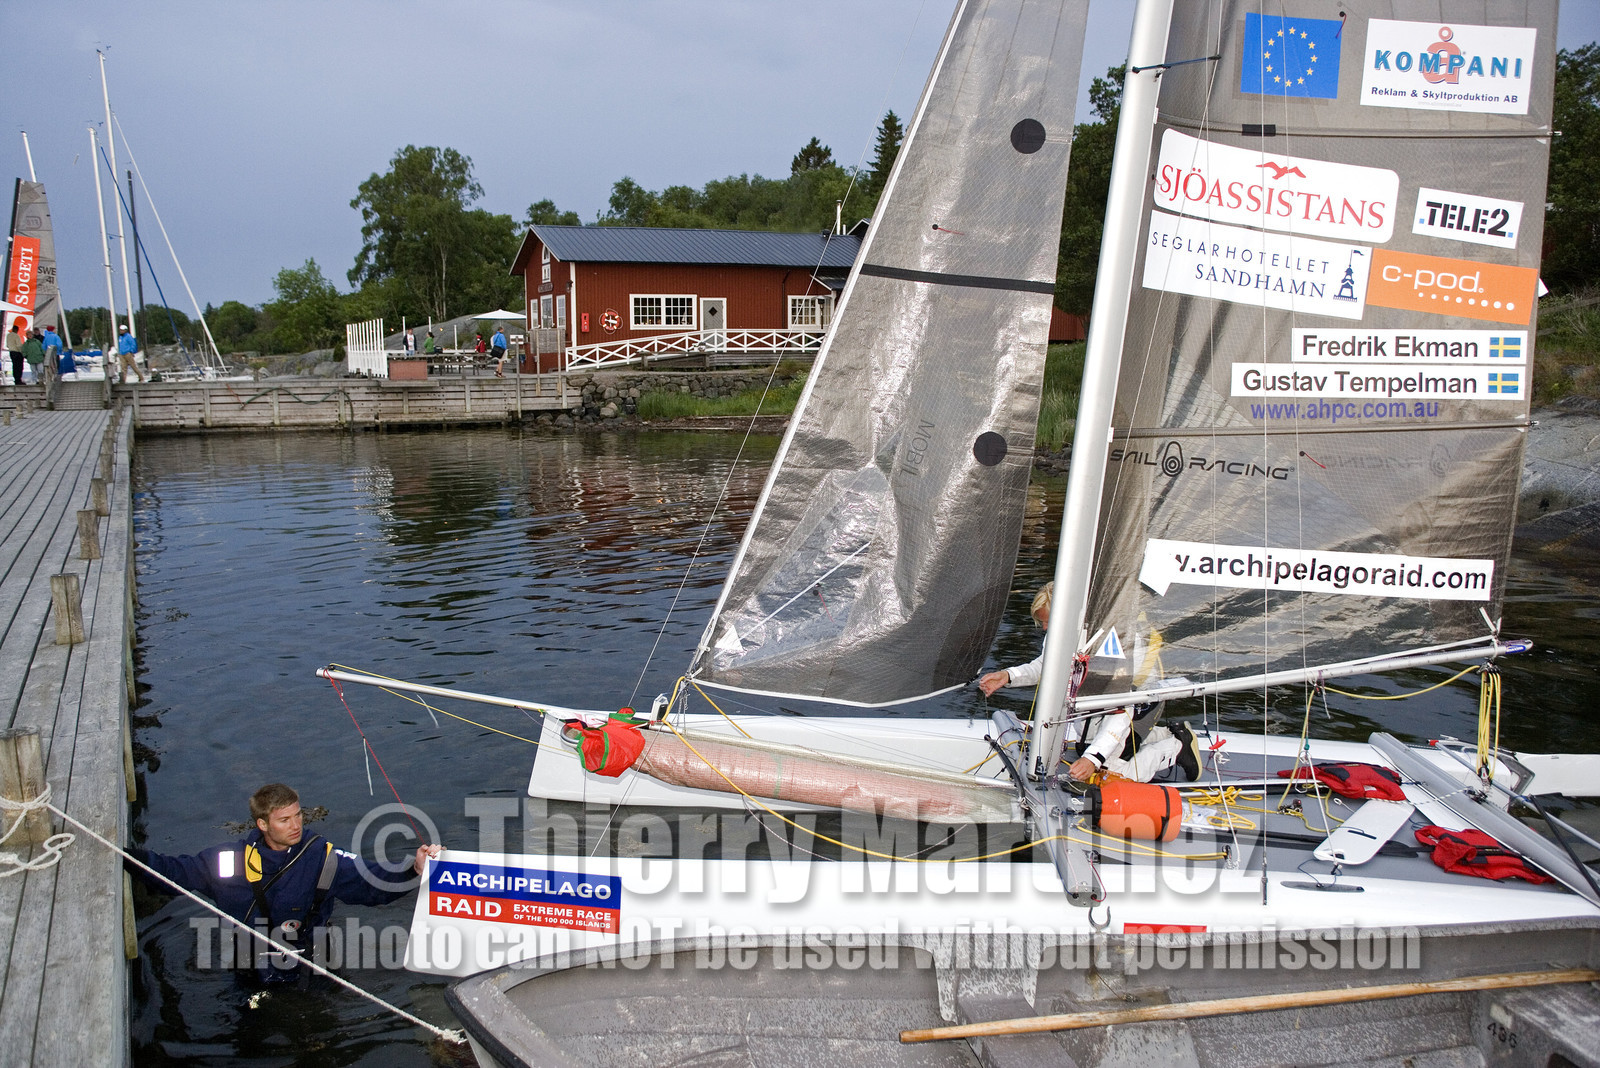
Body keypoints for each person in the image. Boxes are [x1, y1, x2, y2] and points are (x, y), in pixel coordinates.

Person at [126, 783, 442, 984]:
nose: (296, 826)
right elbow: (177, 872)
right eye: (284, 820)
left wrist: (413, 869)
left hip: (312, 964)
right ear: (262, 824)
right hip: (250, 966)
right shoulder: (229, 862)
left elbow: (373, 882)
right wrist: (128, 858)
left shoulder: (322, 859)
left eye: (298, 816)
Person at [978, 582, 1201, 783]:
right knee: (1087, 746)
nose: (1045, 629)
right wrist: (1008, 676)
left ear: (1066, 617)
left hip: (1138, 703)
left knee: (1111, 775)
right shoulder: (1064, 633)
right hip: (1101, 704)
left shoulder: (1111, 645)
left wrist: (1093, 759)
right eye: (1042, 622)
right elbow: (1047, 667)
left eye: (1047, 621)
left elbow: (1120, 712)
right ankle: (1161, 735)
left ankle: (1178, 746)